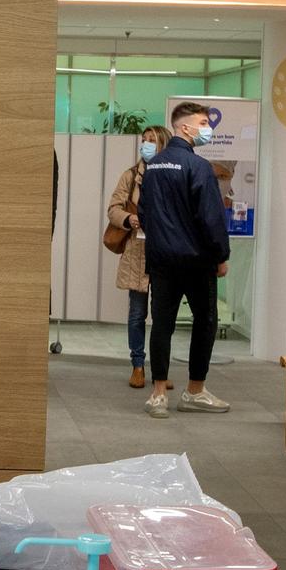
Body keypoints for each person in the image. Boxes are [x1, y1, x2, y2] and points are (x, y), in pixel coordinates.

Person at [135, 101, 231, 418]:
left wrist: (162, 241)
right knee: (205, 323)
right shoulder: (198, 167)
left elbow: (145, 214)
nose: (207, 128)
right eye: (203, 122)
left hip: (161, 260)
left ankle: (158, 394)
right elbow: (211, 218)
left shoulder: (154, 167)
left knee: (162, 324)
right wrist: (220, 255)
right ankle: (194, 391)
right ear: (184, 127)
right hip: (196, 260)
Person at [106, 125, 169, 388]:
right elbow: (113, 209)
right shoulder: (130, 176)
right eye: (144, 141)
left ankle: (160, 371)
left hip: (165, 251)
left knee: (163, 315)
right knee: (137, 313)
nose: (146, 145)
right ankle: (138, 365)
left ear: (163, 144)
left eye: (152, 141)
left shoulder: (171, 175)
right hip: (136, 252)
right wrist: (128, 218)